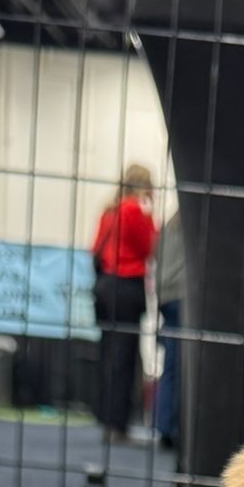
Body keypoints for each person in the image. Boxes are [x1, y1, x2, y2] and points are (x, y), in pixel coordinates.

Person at [91, 165, 157, 439]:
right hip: (127, 286)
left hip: (105, 286)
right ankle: (117, 424)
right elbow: (150, 246)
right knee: (124, 358)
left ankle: (106, 417)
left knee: (109, 354)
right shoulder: (133, 210)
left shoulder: (109, 210)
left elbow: (94, 247)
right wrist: (150, 213)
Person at [153, 211, 184, 452]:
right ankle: (174, 427)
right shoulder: (194, 223)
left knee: (170, 366)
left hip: (166, 295)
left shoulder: (168, 225)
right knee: (182, 366)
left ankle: (164, 425)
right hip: (183, 295)